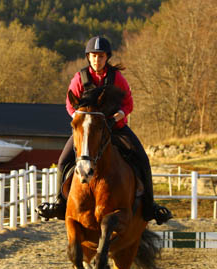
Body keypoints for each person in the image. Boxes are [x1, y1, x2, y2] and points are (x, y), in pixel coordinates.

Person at [37, 36, 172, 225]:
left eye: (100, 56)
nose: (97, 60)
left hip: (115, 128)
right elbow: (70, 104)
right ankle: (60, 203)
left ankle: (150, 207)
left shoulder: (117, 78)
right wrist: (80, 120)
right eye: (93, 56)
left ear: (106, 57)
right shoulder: (79, 78)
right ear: (88, 57)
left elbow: (128, 103)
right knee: (63, 161)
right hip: (88, 132)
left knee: (143, 159)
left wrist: (117, 116)